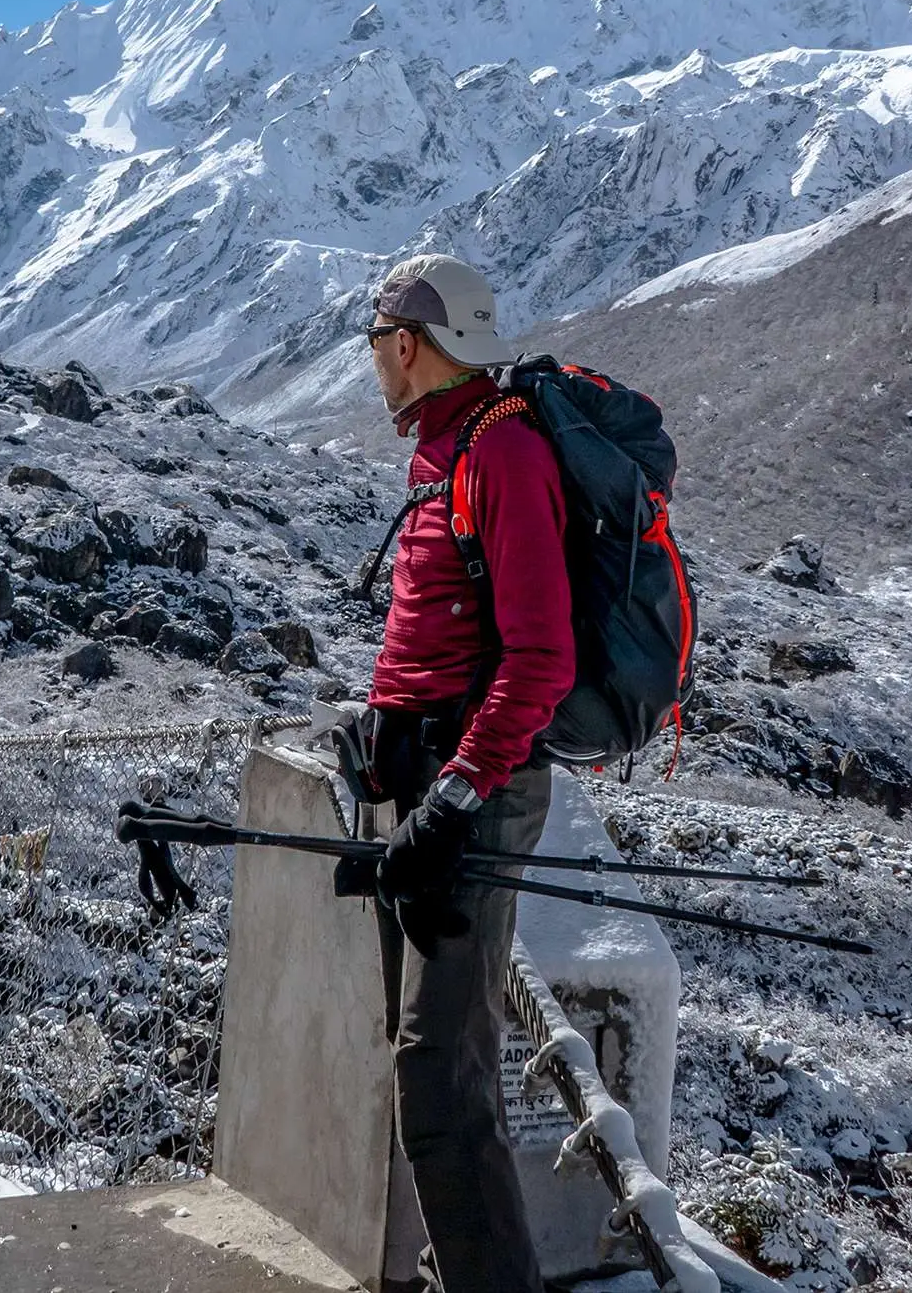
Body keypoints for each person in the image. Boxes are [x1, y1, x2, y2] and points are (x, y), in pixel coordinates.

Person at [362, 253, 576, 1293]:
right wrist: (386, 726)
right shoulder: (439, 449)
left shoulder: (502, 454)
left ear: (406, 344)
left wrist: (453, 793)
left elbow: (541, 656)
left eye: (375, 346)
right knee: (419, 1058)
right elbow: (439, 621)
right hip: (426, 783)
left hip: (471, 799)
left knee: (440, 1078)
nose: (372, 366)